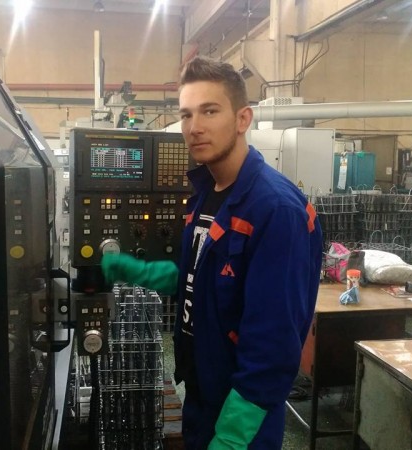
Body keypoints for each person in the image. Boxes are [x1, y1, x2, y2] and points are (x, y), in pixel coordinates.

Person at [101, 55, 323, 449]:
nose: (195, 127)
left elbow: (273, 347)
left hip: (243, 414)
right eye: (186, 115)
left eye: (209, 111)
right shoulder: (206, 194)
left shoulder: (274, 210)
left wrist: (232, 438)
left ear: (242, 119)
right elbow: (200, 277)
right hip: (202, 391)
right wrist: (141, 273)